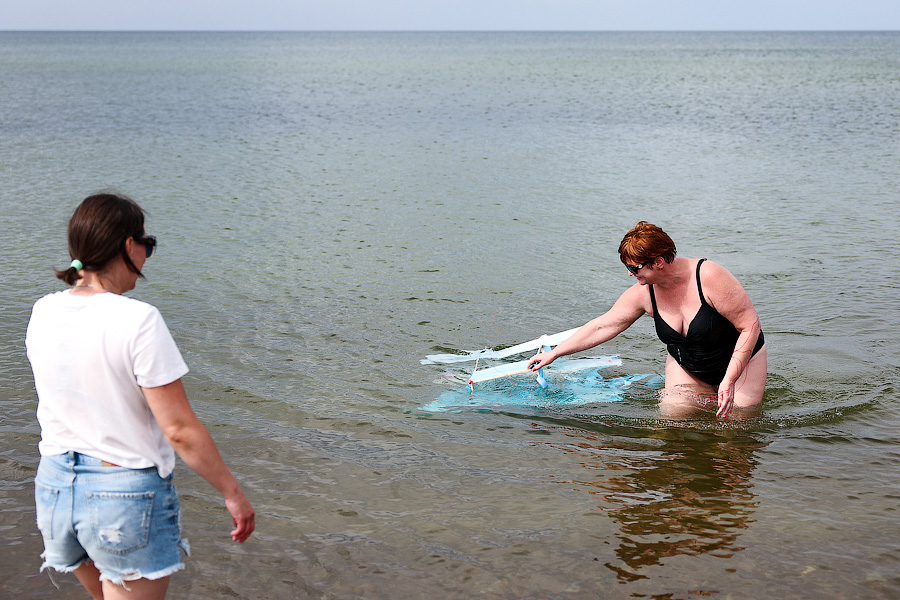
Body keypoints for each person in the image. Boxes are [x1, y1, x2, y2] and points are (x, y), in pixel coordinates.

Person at [26, 192, 255, 599]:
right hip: (121, 496)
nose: (147, 256)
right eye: (147, 245)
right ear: (127, 245)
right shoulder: (137, 320)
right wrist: (233, 493)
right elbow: (180, 430)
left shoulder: (43, 311)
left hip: (56, 490)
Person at [528, 221, 766, 418]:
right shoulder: (644, 293)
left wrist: (729, 379)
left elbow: (750, 325)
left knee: (735, 427)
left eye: (634, 268)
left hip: (741, 363)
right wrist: (555, 353)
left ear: (658, 262)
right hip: (689, 367)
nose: (630, 274)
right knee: (672, 420)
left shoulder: (709, 276)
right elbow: (604, 325)